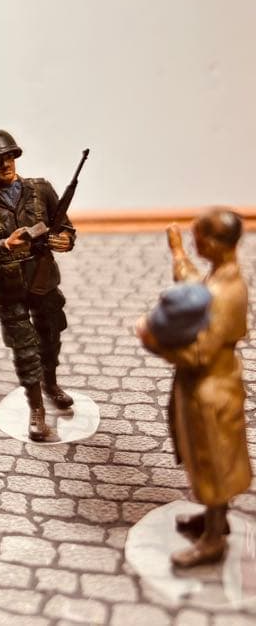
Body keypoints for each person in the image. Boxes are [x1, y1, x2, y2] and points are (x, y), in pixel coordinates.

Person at [136, 209, 251, 568]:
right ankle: (213, 518)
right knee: (205, 458)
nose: (194, 241)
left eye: (197, 238)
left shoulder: (225, 294)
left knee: (212, 460)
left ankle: (214, 540)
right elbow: (193, 290)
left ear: (215, 243)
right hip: (203, 386)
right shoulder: (218, 279)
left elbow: (199, 354)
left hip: (211, 389)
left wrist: (153, 341)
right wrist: (178, 254)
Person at [0, 129, 76, 441]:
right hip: (10, 285)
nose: (4, 165)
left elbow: (65, 227)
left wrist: (65, 240)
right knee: (24, 349)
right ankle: (36, 409)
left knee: (50, 335)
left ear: (15, 157)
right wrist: (5, 245)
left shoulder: (41, 189)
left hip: (44, 277)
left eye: (8, 157)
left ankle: (51, 384)